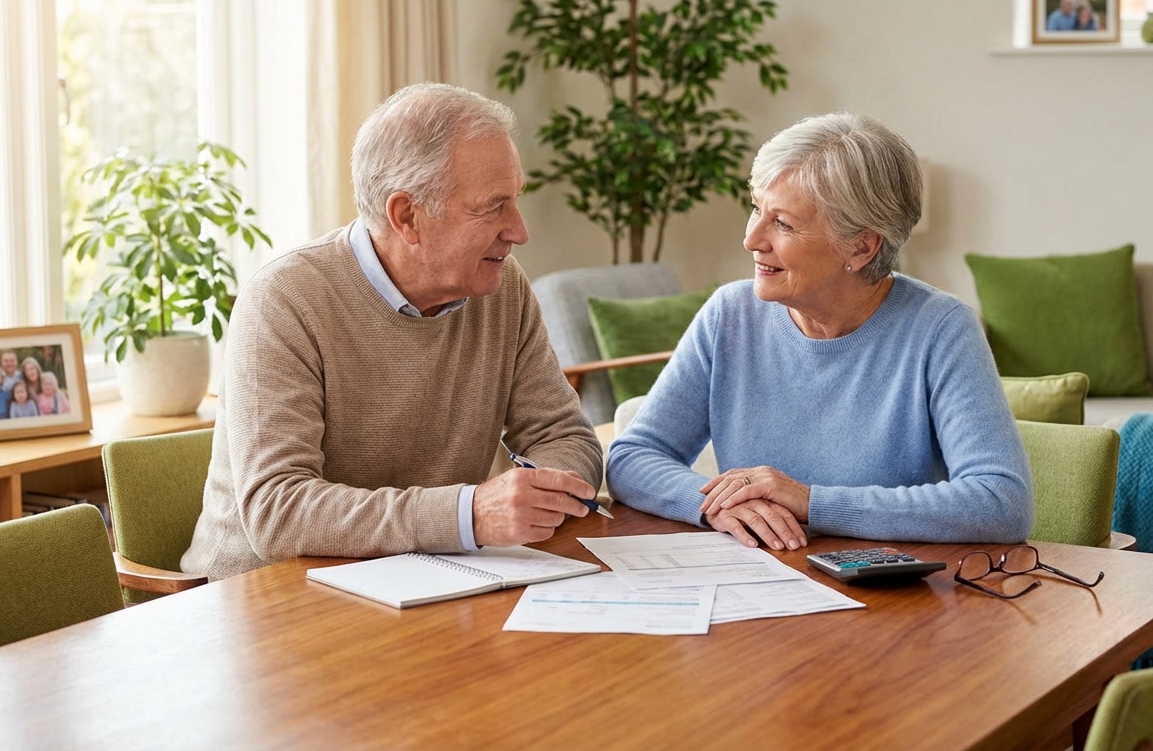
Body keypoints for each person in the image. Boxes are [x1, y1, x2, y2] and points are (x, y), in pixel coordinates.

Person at [181, 83, 602, 580]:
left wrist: (537, 493)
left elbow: (564, 434)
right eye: (493, 206)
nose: (519, 230)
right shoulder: (284, 300)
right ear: (407, 216)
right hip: (263, 599)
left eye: (515, 200)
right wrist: (468, 515)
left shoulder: (502, 286)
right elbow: (278, 512)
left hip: (432, 579)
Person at [606, 113, 1033, 551]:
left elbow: (1001, 502)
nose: (752, 239)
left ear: (862, 246)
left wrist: (812, 502)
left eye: (783, 223)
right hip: (764, 583)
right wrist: (714, 504)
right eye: (756, 208)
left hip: (895, 602)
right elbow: (631, 458)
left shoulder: (940, 329)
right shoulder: (729, 315)